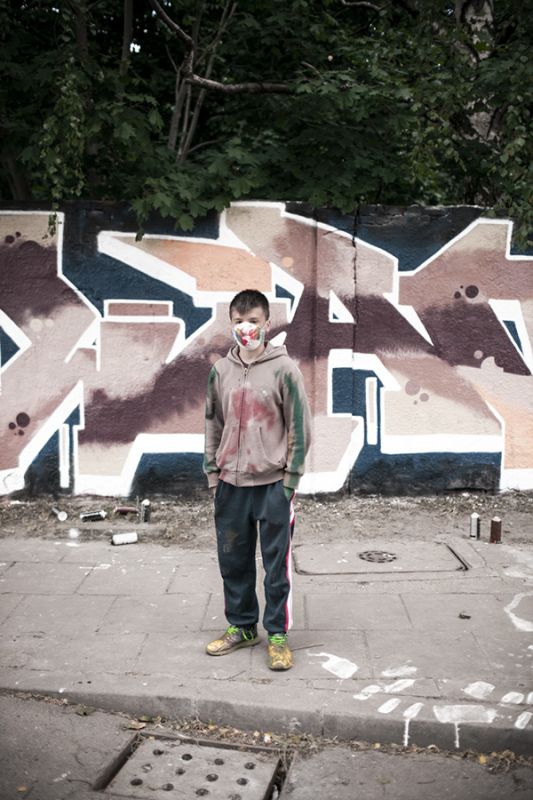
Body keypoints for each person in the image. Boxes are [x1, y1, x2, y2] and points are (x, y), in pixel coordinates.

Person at [203, 289, 311, 670]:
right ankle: (243, 626)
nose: (245, 328)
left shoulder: (285, 370)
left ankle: (277, 634)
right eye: (238, 321)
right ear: (230, 324)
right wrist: (213, 475)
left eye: (253, 321)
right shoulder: (220, 371)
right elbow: (212, 425)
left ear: (267, 323)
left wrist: (290, 480)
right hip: (230, 485)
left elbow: (300, 427)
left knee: (275, 565)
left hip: (273, 486)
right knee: (233, 561)